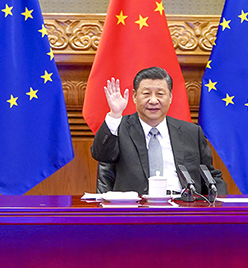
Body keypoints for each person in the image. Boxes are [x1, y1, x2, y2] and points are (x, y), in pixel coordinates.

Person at [91, 66, 227, 196]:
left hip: (183, 204)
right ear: (134, 96)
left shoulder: (191, 132)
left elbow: (210, 175)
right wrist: (115, 115)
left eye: (160, 94)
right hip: (136, 207)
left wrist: (221, 204)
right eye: (146, 94)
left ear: (170, 97)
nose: (153, 100)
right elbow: (100, 154)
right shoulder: (119, 129)